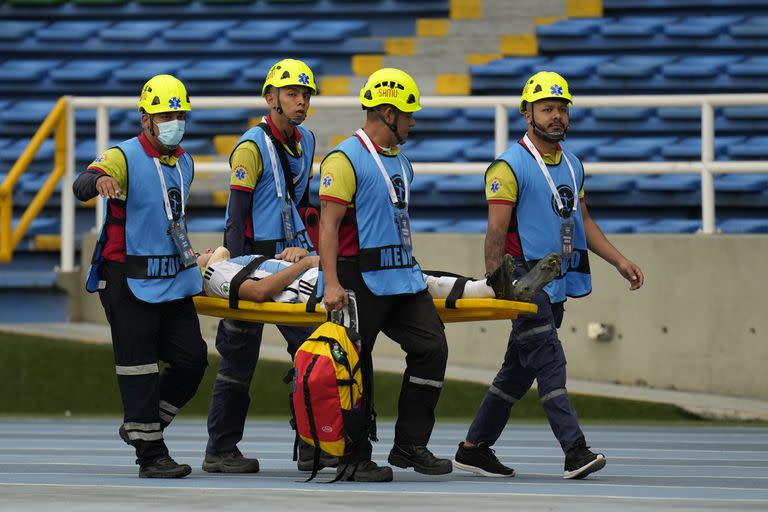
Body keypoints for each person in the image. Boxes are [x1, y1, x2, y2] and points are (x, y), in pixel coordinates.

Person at [452, 71, 645, 480]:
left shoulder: (573, 164)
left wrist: (619, 260)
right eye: (547, 108)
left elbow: (584, 220)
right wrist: (498, 284)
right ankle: (574, 449)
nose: (557, 115)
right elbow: (495, 234)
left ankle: (473, 448)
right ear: (527, 114)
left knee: (515, 374)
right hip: (523, 282)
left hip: (555, 282)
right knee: (550, 360)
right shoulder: (508, 166)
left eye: (562, 108)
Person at [317, 68, 456, 482]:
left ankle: (409, 444)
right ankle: (352, 456)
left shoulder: (402, 163)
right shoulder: (344, 159)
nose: (413, 122)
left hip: (401, 277)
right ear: (386, 113)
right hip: (355, 276)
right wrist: (331, 282)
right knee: (354, 366)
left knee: (432, 348)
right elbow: (328, 225)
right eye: (408, 114)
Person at [72, 74, 208, 478]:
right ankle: (151, 454)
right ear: (146, 118)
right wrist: (100, 180)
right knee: (139, 367)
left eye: (179, 113)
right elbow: (81, 184)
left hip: (172, 279)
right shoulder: (123, 156)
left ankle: (142, 426)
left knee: (193, 361)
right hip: (125, 278)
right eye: (166, 114)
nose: (174, 120)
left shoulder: (184, 160)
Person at [203, 58, 324, 474]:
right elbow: (235, 220)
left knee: (312, 350)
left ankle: (311, 444)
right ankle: (220, 449)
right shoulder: (250, 147)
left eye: (305, 94)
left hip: (291, 264)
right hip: (252, 263)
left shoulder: (307, 140)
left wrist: (307, 250)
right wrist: (236, 276)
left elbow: (305, 206)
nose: (301, 101)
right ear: (270, 98)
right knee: (237, 361)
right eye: (292, 93)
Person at [197, 246, 560, 305]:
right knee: (411, 278)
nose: (202, 251)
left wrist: (299, 254)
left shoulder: (239, 258)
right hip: (318, 286)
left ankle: (497, 288)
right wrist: (305, 264)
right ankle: (494, 289)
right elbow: (257, 294)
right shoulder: (214, 273)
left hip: (318, 273)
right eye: (196, 255)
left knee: (413, 274)